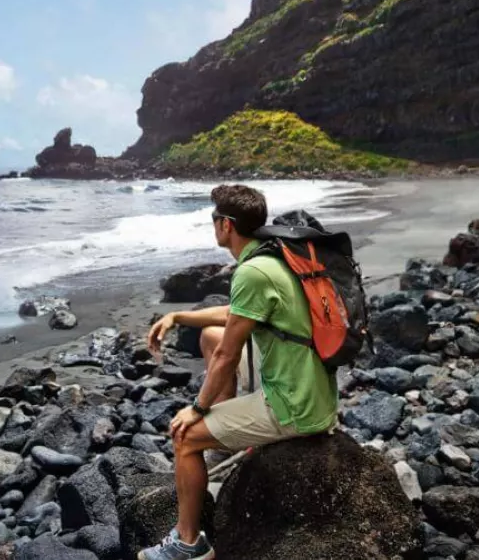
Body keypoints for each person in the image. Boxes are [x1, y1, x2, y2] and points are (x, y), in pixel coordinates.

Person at [137, 184, 339, 560]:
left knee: (185, 437)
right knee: (211, 337)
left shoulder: (252, 273)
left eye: (214, 219)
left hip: (293, 405)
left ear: (226, 225)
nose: (212, 225)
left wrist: (197, 410)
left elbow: (229, 357)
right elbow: (233, 317)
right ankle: (226, 438)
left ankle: (188, 543)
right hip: (311, 389)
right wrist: (178, 316)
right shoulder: (271, 258)